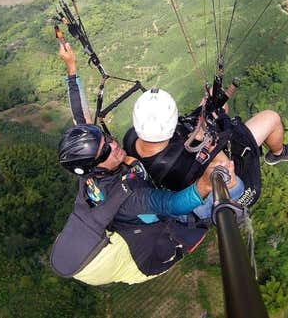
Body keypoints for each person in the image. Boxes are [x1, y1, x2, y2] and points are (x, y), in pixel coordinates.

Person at [50, 41, 236, 285]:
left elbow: (80, 116)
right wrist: (203, 185)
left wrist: (71, 67)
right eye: (106, 150)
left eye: (105, 138)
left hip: (130, 212)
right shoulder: (128, 195)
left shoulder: (88, 169)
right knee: (218, 191)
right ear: (93, 166)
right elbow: (172, 204)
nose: (113, 144)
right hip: (158, 241)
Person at [123, 86, 288, 208]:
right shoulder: (178, 161)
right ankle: (278, 153)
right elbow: (225, 166)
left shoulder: (132, 138)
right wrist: (207, 136)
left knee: (220, 103)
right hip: (226, 179)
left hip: (191, 163)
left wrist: (205, 106)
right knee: (271, 118)